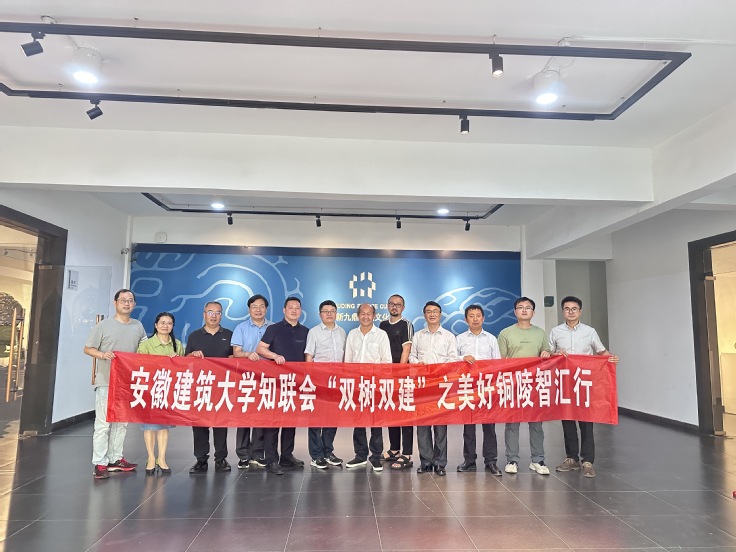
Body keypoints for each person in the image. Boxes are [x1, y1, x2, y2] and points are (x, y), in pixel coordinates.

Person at [549, 295, 619, 478]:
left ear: (580, 311)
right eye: (567, 309)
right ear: (562, 311)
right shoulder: (556, 332)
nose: (570, 312)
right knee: (567, 420)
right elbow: (548, 354)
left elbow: (601, 351)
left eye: (574, 309)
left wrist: (611, 358)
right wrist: (556, 354)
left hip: (584, 382)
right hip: (565, 382)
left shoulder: (589, 331)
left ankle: (587, 460)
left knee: (587, 421)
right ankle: (571, 458)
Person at [84, 288, 146, 479]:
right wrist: (103, 355)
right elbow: (88, 348)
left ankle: (115, 458)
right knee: (103, 424)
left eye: (130, 300)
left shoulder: (138, 326)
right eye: (123, 300)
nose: (127, 303)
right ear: (115, 303)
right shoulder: (103, 326)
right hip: (106, 381)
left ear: (134, 304)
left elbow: (144, 350)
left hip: (127, 383)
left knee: (121, 423)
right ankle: (100, 462)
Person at [498, 296, 551, 475]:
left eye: (528, 307)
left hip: (534, 383)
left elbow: (547, 352)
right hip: (513, 383)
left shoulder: (540, 333)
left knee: (536, 424)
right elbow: (500, 361)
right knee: (512, 424)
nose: (524, 310)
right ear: (515, 312)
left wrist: (546, 353)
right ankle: (512, 459)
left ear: (533, 312)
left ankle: (538, 459)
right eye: (520, 307)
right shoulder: (505, 333)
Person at [256, 296, 309, 475]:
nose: (294, 310)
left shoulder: (305, 331)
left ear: (301, 311)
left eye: (297, 307)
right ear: (284, 310)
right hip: (276, 383)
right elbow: (260, 349)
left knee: (290, 422)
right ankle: (271, 459)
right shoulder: (274, 328)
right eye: (290, 307)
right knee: (273, 422)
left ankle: (287, 456)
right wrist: (274, 356)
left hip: (295, 384)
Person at [409, 300, 458, 476]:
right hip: (422, 385)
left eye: (435, 311)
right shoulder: (418, 336)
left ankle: (440, 463)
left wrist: (439, 369)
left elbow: (453, 359)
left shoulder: (448, 336)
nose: (432, 314)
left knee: (440, 427)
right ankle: (425, 461)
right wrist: (418, 363)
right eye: (428, 311)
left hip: (440, 385)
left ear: (440, 314)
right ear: (424, 315)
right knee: (422, 426)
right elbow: (412, 356)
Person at [185, 301, 233, 473]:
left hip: (222, 387)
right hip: (200, 386)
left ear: (221, 315)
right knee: (199, 424)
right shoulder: (194, 336)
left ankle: (221, 458)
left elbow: (235, 360)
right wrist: (192, 355)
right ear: (204, 314)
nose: (213, 316)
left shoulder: (229, 335)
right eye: (210, 312)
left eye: (217, 312)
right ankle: (201, 459)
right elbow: (185, 361)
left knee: (221, 424)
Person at [455, 304, 502, 476]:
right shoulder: (459, 339)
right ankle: (469, 460)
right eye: (471, 316)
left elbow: (497, 362)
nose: (475, 319)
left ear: (483, 318)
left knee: (489, 426)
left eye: (478, 315)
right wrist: (463, 357)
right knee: (469, 426)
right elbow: (452, 359)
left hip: (487, 386)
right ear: (465, 319)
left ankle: (491, 461)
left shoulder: (491, 339)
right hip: (467, 386)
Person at [344, 303, 392, 472]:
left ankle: (376, 456)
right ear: (358, 316)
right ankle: (360, 455)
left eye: (369, 313)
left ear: (374, 316)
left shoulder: (381, 335)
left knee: (376, 421)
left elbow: (387, 361)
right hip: (357, 384)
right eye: (362, 314)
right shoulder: (352, 334)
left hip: (375, 384)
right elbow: (348, 360)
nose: (366, 316)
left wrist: (382, 383)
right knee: (358, 421)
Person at [136, 311, 183, 475]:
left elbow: (183, 368)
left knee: (163, 426)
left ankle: (161, 458)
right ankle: (150, 458)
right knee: (149, 426)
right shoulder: (147, 345)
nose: (165, 326)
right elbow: (138, 365)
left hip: (167, 391)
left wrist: (177, 360)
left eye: (169, 323)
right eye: (162, 323)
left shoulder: (177, 344)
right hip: (149, 391)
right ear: (156, 325)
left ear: (172, 326)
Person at [231, 294, 272, 469]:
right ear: (249, 309)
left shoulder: (273, 327)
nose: (258, 309)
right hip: (245, 378)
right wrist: (248, 354)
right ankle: (243, 454)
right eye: (254, 306)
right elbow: (236, 353)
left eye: (261, 306)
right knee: (244, 416)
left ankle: (257, 453)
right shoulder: (241, 328)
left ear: (266, 309)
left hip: (266, 379)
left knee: (261, 416)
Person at [304, 299, 347, 469]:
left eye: (332, 311)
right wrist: (310, 381)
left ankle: (328, 452)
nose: (329, 314)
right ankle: (316, 455)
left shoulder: (342, 332)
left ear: (336, 313)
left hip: (336, 382)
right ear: (320, 314)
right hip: (319, 381)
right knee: (316, 419)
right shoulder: (314, 332)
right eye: (325, 311)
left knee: (332, 418)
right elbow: (309, 356)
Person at [378, 294, 414, 470]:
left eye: (398, 304)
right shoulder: (382, 325)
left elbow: (407, 349)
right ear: (387, 306)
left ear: (403, 308)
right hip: (386, 375)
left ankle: (407, 454)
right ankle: (394, 449)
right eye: (392, 304)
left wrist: (399, 373)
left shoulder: (406, 324)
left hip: (402, 376)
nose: (395, 307)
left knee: (405, 414)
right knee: (391, 411)